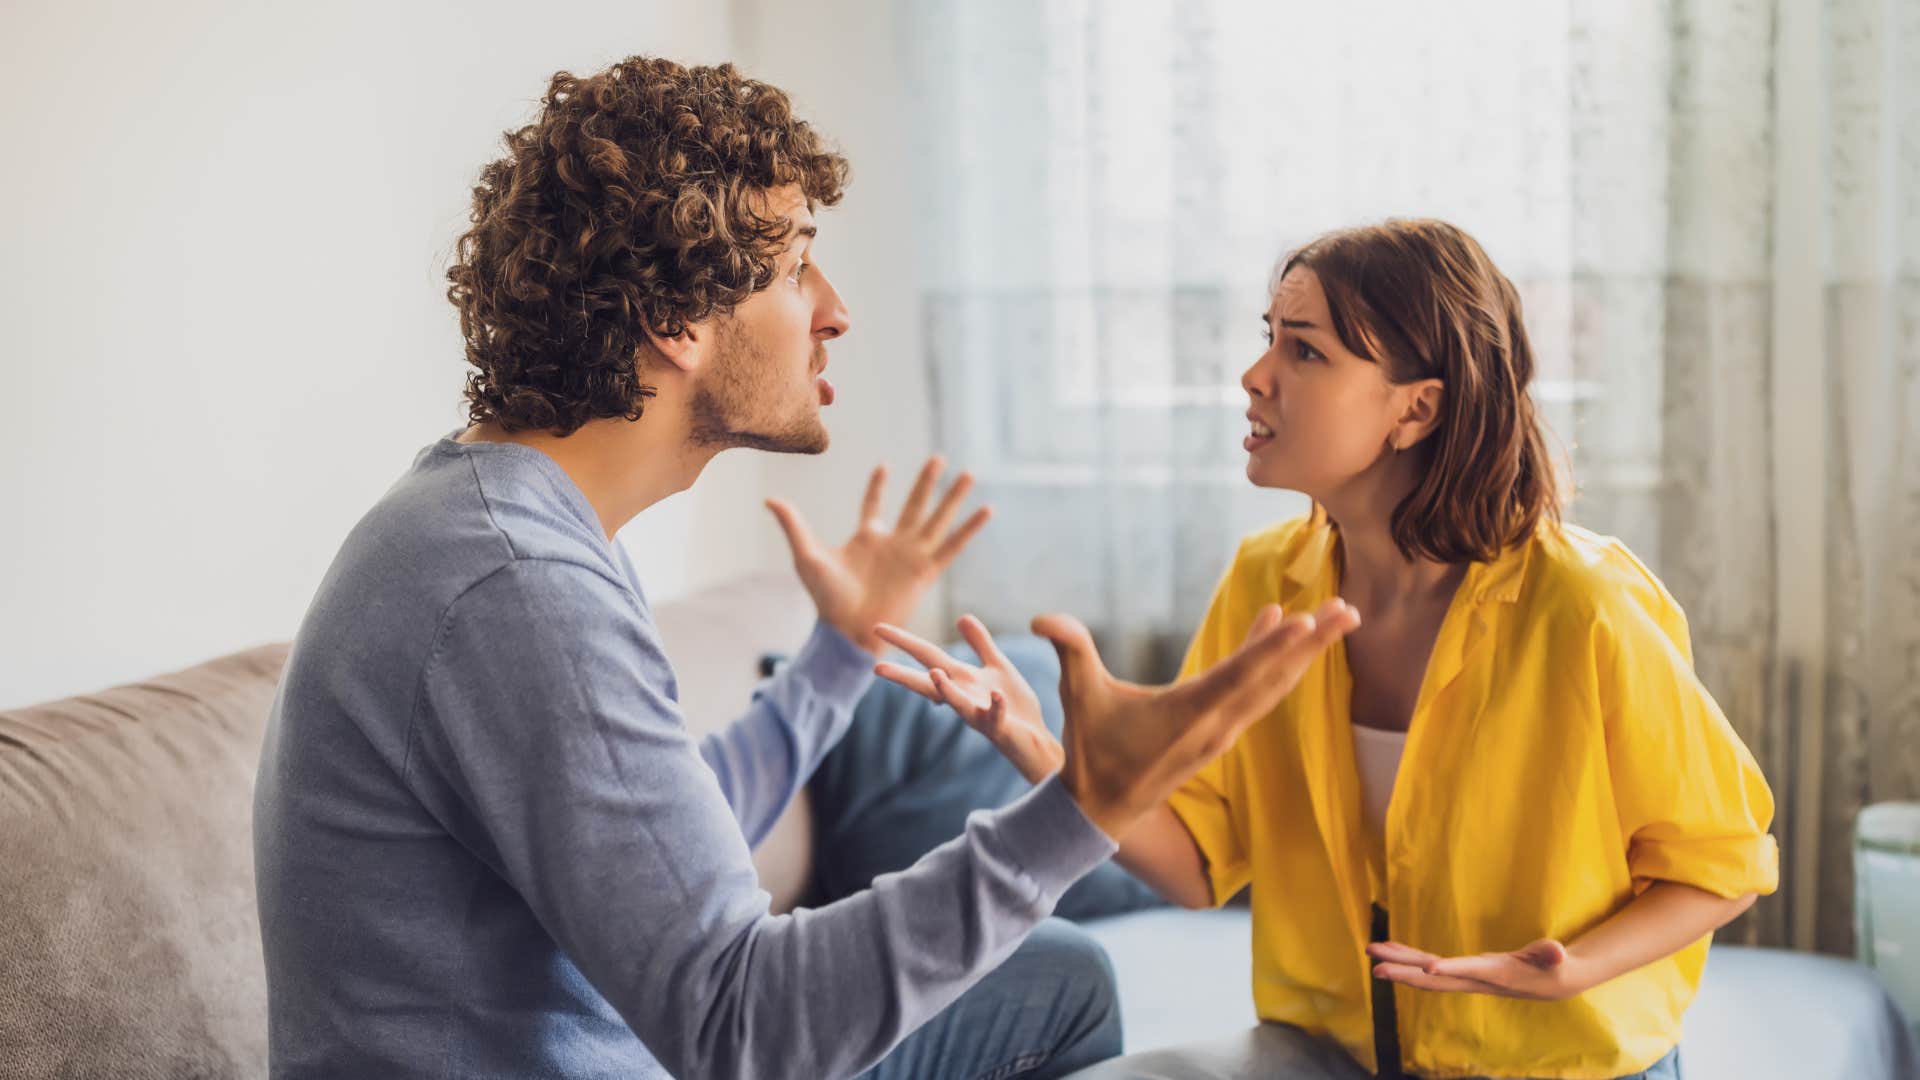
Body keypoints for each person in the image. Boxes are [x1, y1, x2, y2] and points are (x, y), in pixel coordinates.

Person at [251, 55, 1357, 1080]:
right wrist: (1081, 807)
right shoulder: (515, 585)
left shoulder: (509, 530)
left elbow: (664, 844)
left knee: (1057, 978)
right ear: (674, 319)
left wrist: (838, 657)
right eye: (794, 269)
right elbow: (743, 1027)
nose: (834, 311)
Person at [874, 220, 1777, 1079]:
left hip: (1561, 1064)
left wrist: (1569, 971)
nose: (1254, 376)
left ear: (1416, 409)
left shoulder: (1584, 607)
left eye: (1304, 351)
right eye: (1269, 338)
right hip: (1335, 1052)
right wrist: (1044, 749)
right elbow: (1197, 864)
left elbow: (1724, 867)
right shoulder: (1265, 584)